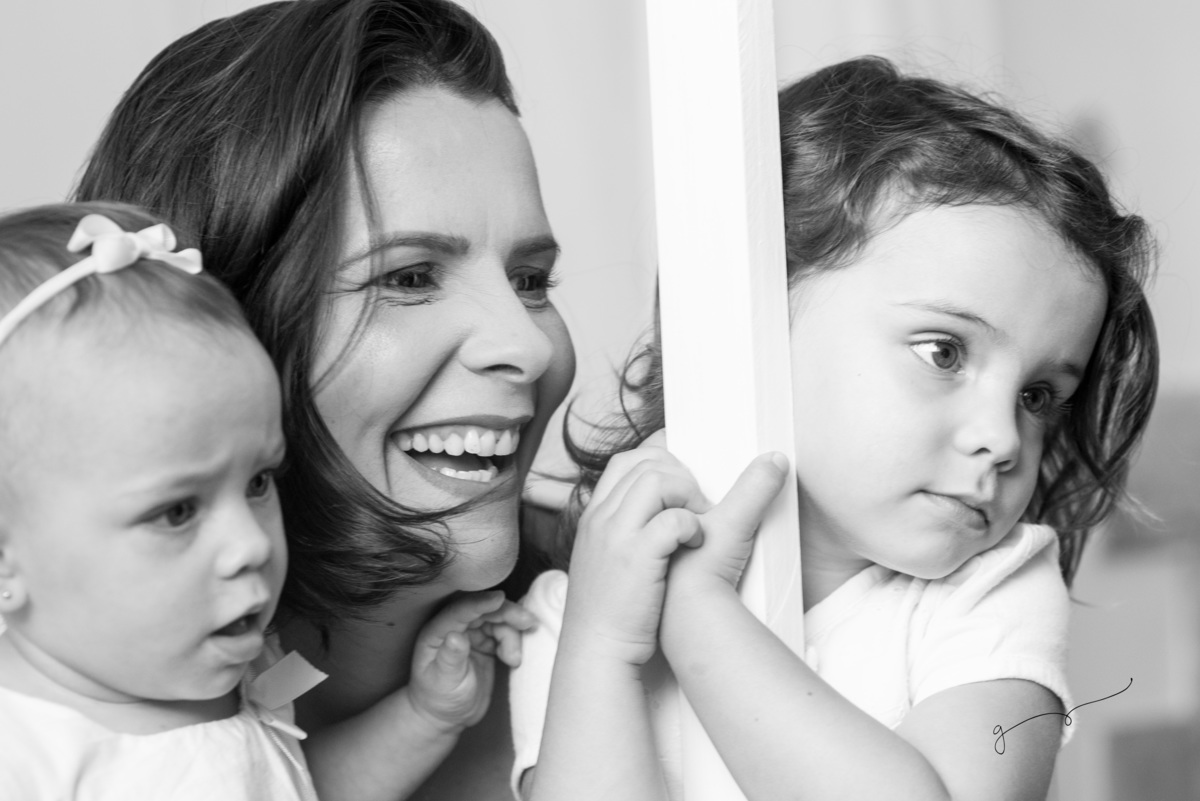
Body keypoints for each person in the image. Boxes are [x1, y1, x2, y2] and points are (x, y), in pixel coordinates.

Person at [513, 56, 1158, 800]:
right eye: (944, 352)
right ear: (751, 321)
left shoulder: (990, 591)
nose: (1005, 439)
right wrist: (604, 647)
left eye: (1039, 396)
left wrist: (699, 617)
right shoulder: (581, 614)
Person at [74, 2, 575, 798]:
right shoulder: (65, 728)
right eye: (410, 277)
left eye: (531, 280)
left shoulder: (636, 637)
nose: (529, 344)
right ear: (223, 329)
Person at [0, 202, 536, 799]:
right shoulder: (24, 755)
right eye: (177, 512)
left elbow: (299, 785)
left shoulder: (258, 675)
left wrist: (425, 714)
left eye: (258, 483)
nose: (251, 544)